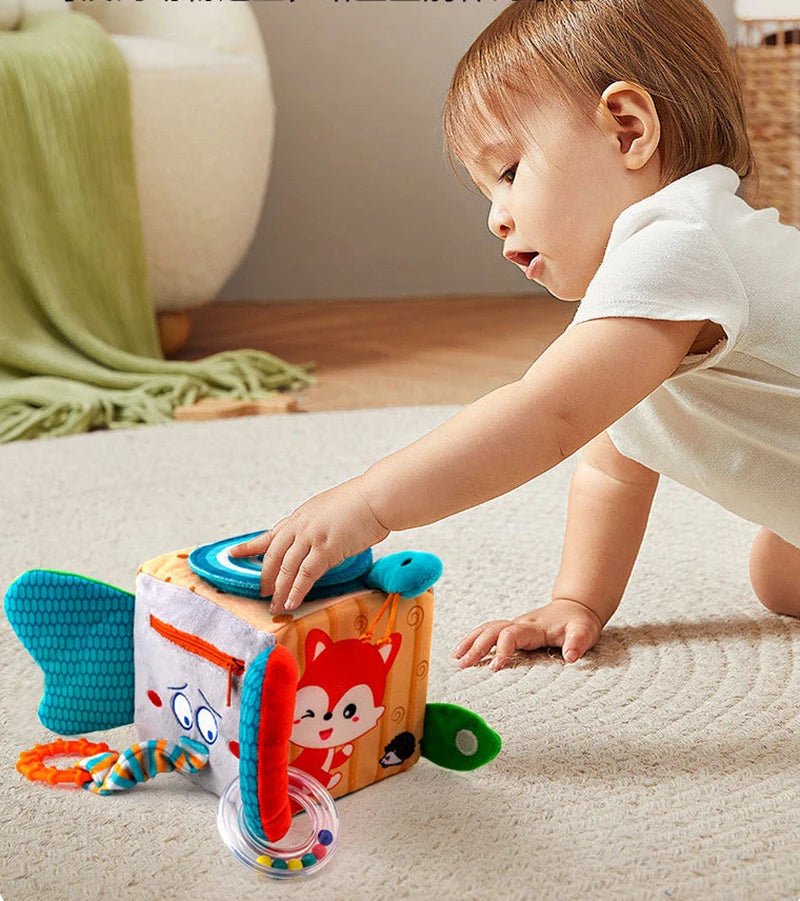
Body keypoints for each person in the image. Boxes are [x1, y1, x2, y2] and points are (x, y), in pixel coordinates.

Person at [230, 0, 800, 672]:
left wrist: (370, 501)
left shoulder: (683, 239)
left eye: (507, 174)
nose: (497, 219)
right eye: (487, 196)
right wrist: (577, 600)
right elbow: (615, 464)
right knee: (778, 575)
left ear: (627, 130)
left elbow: (547, 415)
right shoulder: (651, 288)